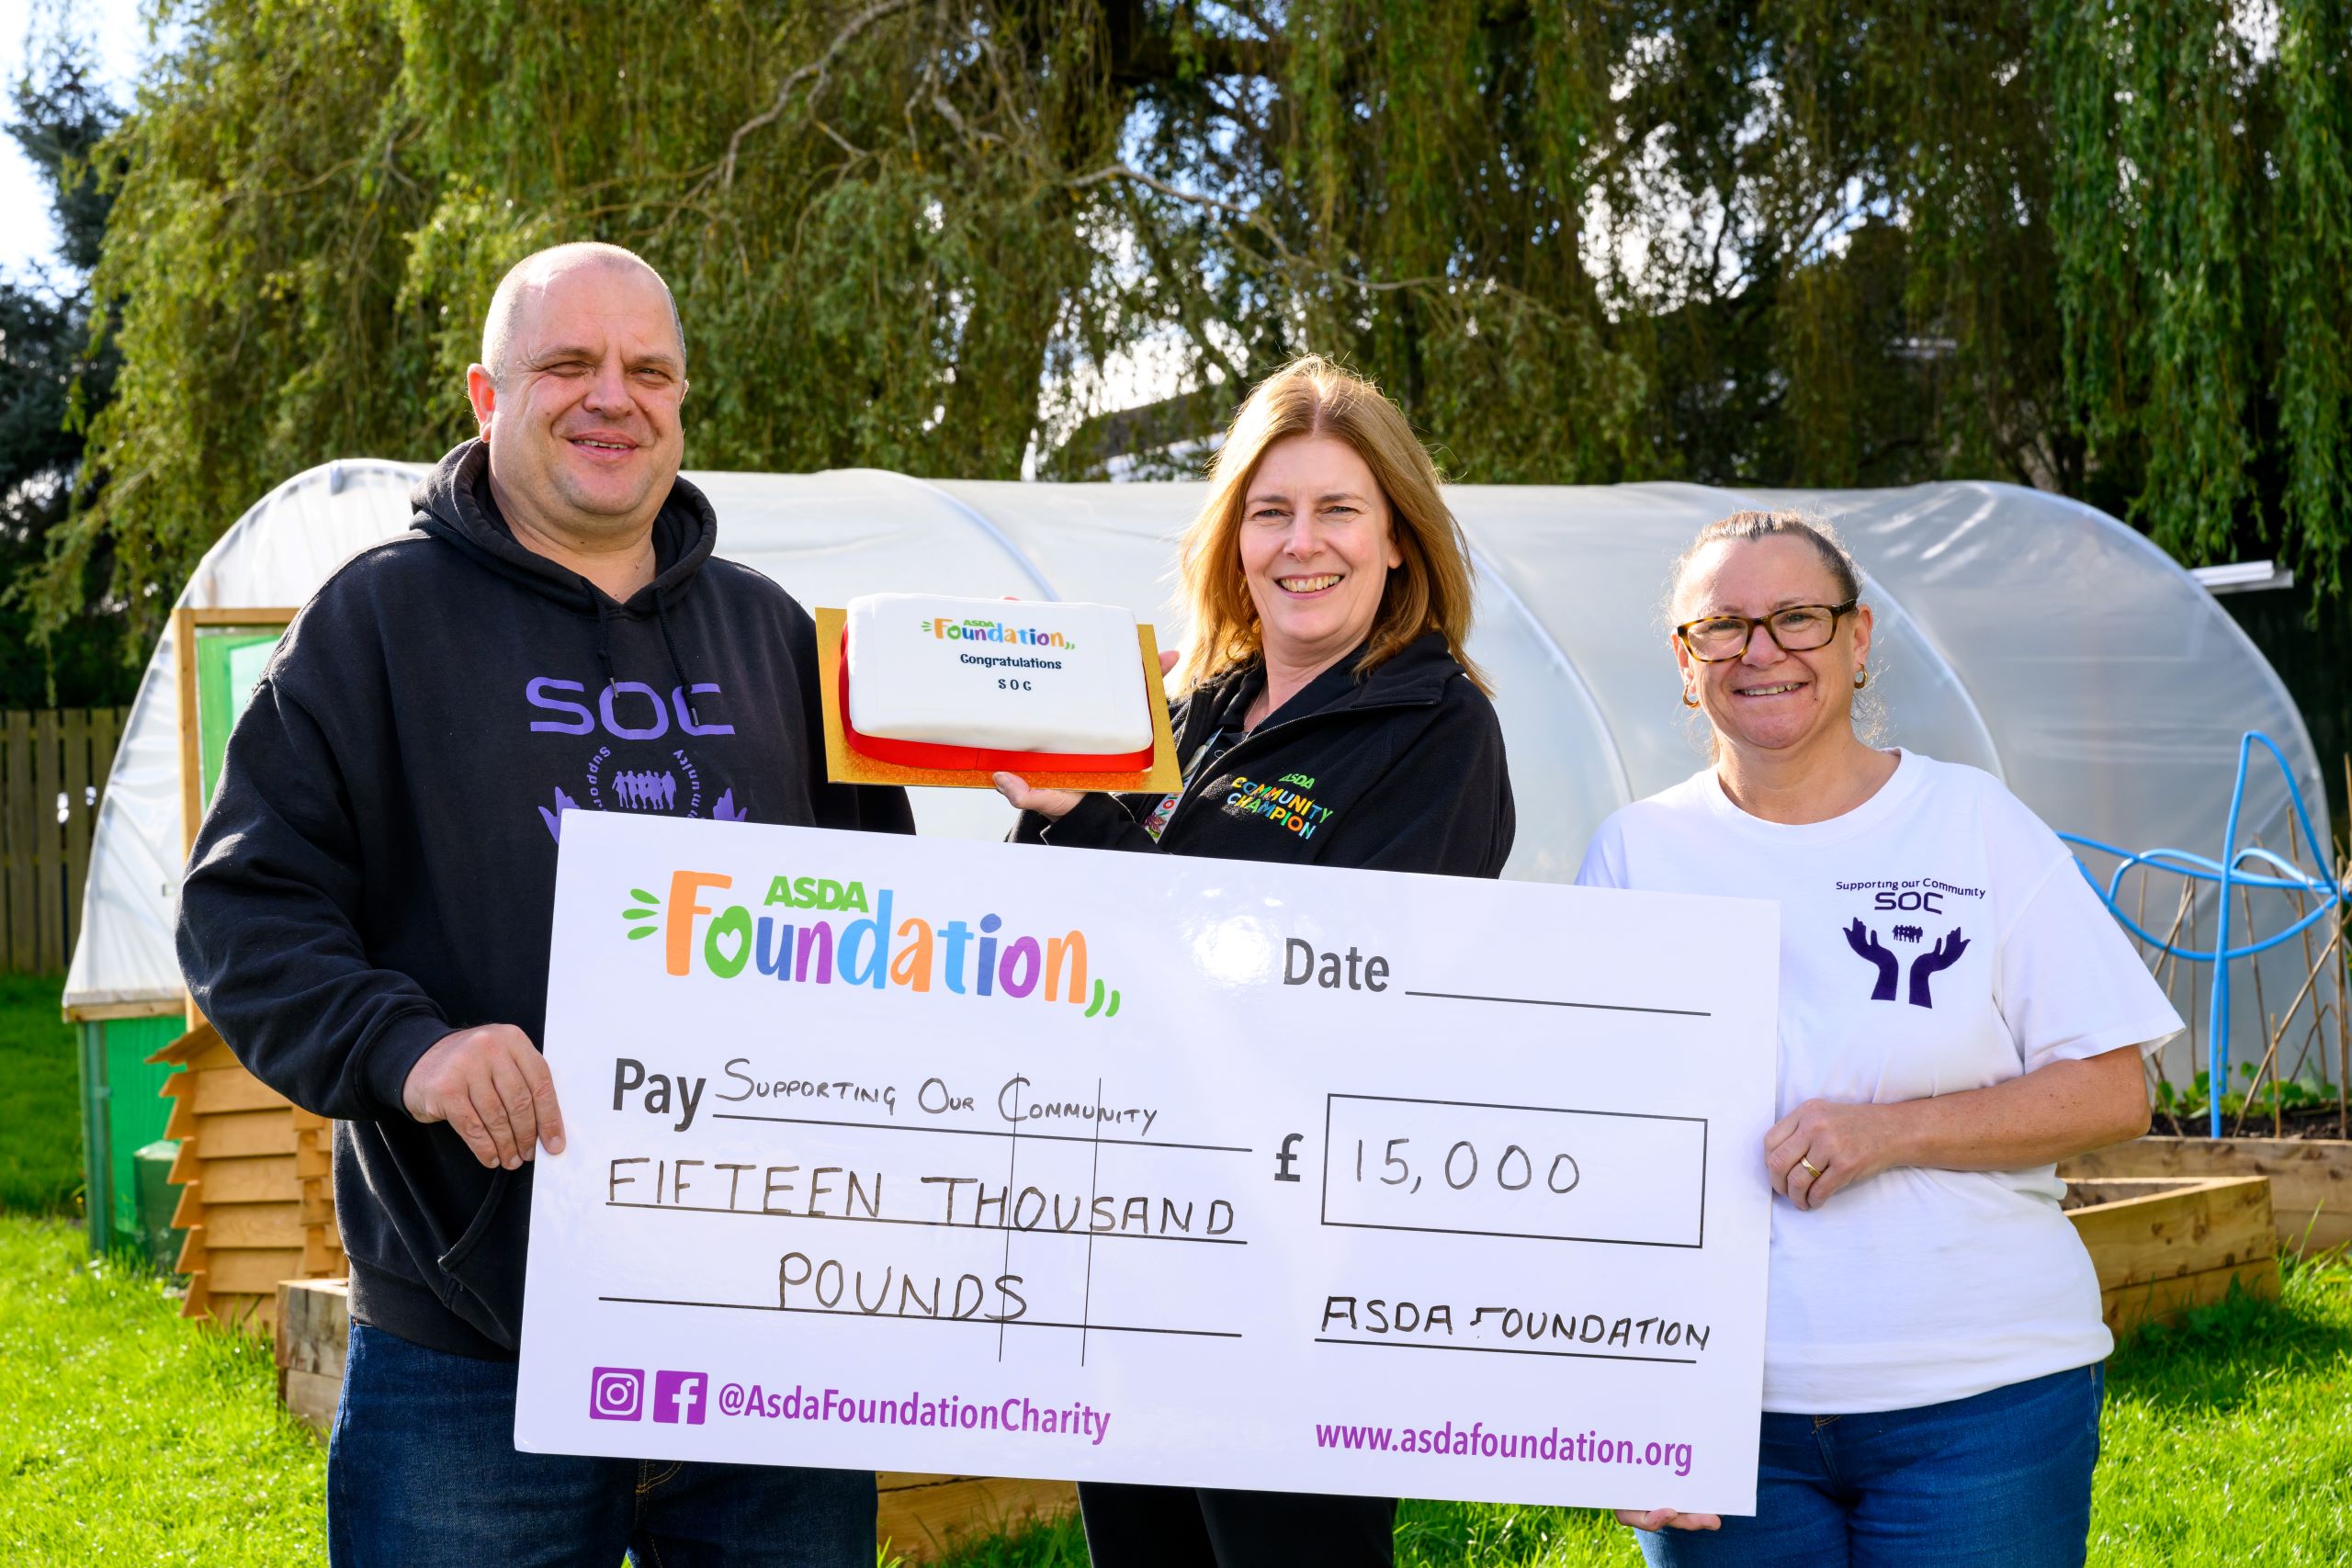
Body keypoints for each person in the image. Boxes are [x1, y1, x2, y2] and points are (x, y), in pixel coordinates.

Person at [176, 242, 913, 1566]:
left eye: (648, 370)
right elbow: (245, 911)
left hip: (759, 1335)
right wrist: (414, 1048)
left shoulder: (778, 638)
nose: (610, 397)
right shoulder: (373, 625)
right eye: (567, 364)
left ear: (683, 403)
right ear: (485, 395)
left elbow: (890, 926)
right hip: (476, 1347)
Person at [1579, 511, 2181, 1568]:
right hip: (1724, 1411)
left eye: (1796, 619)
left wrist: (1887, 1132)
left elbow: (2111, 1090)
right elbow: (1601, 1149)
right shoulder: (1636, 854)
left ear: (1857, 643)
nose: (1760, 650)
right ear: (1686, 662)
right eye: (1722, 627)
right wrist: (1626, 1402)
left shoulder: (1969, 823)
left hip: (1979, 1398)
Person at [996, 355, 1515, 1565]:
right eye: (1270, 511)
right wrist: (1041, 816)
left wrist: (1086, 820)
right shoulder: (1184, 710)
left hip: (1295, 1267)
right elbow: (1049, 945)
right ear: (1233, 540)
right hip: (1125, 1237)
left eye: (1340, 509)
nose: (1302, 543)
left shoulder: (1437, 727)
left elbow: (1325, 984)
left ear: (1400, 540)